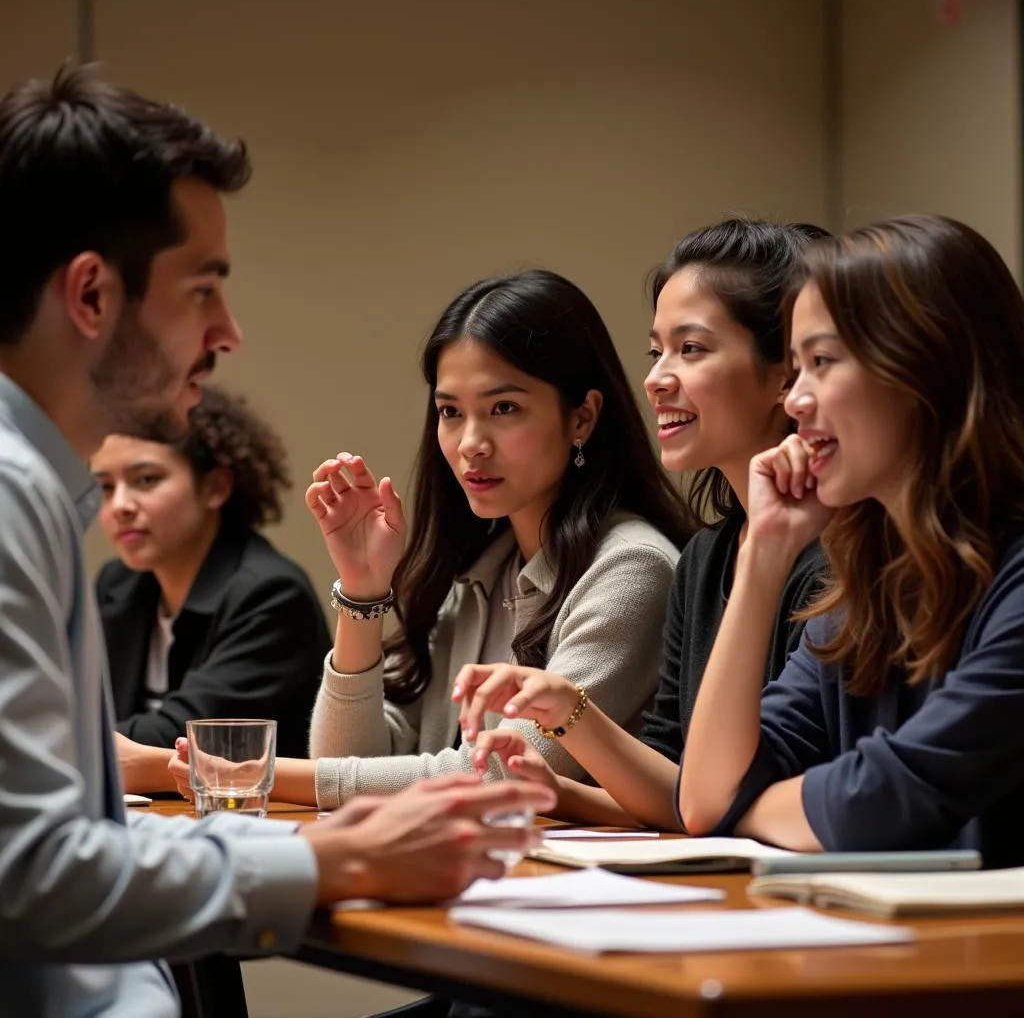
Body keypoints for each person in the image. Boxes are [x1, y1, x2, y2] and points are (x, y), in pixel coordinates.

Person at [0, 65, 554, 1018]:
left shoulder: (42, 499)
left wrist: (331, 850)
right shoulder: (13, 500)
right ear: (92, 295)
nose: (230, 333)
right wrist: (329, 858)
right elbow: (31, 880)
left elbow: (78, 844)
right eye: (203, 291)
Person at [170, 270, 693, 807]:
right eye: (450, 412)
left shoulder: (633, 568)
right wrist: (363, 592)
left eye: (503, 408)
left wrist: (257, 775)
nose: (470, 443)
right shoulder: (482, 571)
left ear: (582, 417)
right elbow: (353, 761)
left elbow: (504, 775)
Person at [453, 220, 828, 830]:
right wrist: (563, 761)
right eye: (657, 351)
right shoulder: (707, 556)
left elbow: (739, 799)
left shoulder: (840, 561)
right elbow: (684, 788)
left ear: (787, 374)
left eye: (693, 349)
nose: (656, 378)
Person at [677, 214, 1024, 869]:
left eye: (822, 362)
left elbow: (885, 798)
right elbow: (702, 798)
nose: (796, 401)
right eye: (796, 366)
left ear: (924, 369)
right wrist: (764, 555)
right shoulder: (863, 589)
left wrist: (746, 807)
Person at [92, 385, 328, 761]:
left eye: (146, 480)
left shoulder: (272, 594)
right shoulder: (116, 585)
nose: (120, 505)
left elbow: (183, 737)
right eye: (105, 487)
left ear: (215, 487)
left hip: (260, 814)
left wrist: (60, 738)